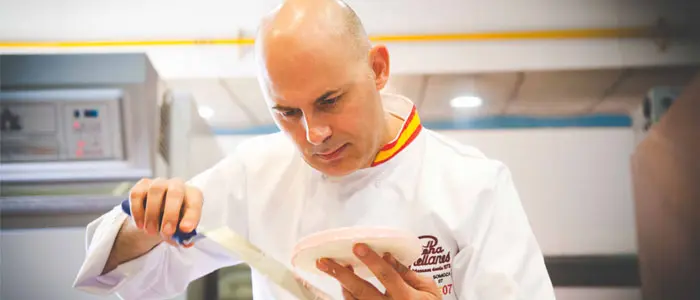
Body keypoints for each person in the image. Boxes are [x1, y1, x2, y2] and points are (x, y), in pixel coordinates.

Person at [73, 0, 556, 299]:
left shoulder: (473, 184)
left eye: (330, 101)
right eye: (287, 112)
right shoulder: (256, 173)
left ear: (378, 68)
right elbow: (124, 275)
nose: (313, 133)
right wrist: (145, 222)